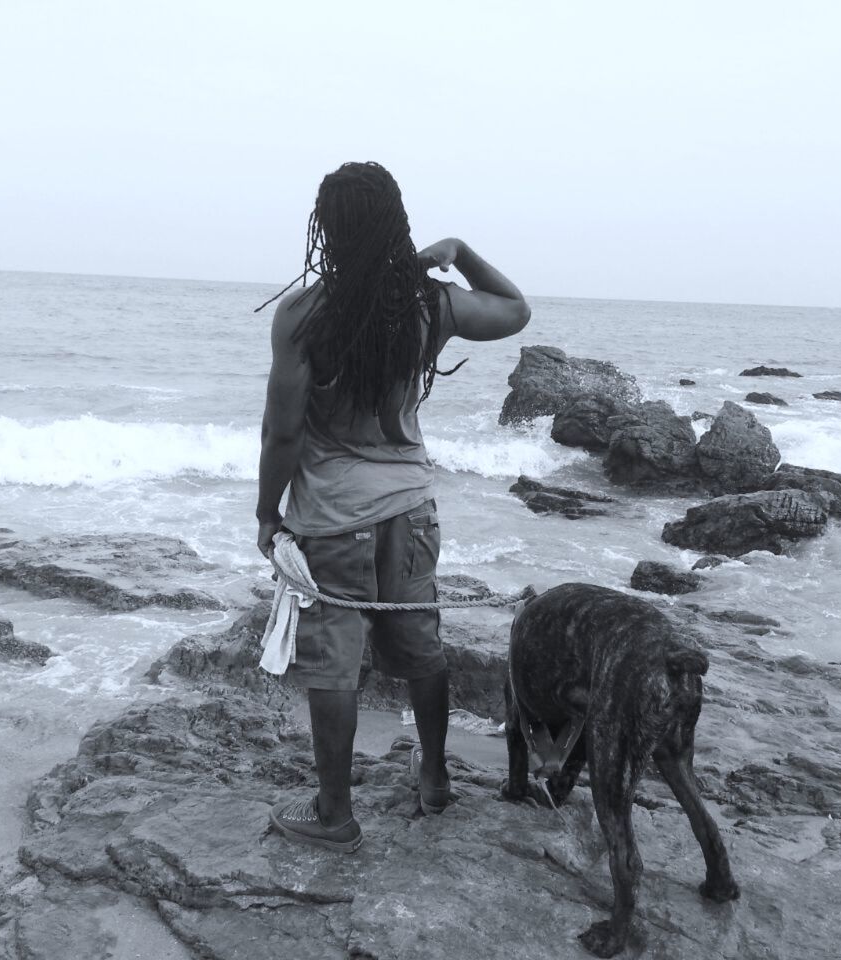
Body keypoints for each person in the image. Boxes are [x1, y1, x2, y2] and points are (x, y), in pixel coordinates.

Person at [256, 161, 530, 852]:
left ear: (327, 230)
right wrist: (460, 252)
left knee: (334, 667)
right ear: (395, 225)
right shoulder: (430, 305)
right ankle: (434, 779)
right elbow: (515, 309)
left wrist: (267, 515)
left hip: (333, 518)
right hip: (410, 510)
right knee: (420, 649)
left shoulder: (303, 314)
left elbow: (283, 430)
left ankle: (335, 815)